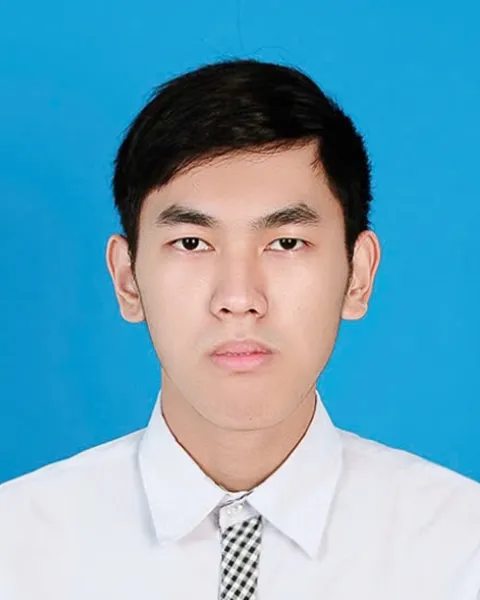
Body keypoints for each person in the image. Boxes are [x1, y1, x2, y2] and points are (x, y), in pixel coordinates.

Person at [0, 58, 479, 600]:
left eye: (286, 243)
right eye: (191, 243)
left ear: (358, 276)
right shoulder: (15, 551)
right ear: (128, 280)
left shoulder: (462, 551)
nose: (239, 298)